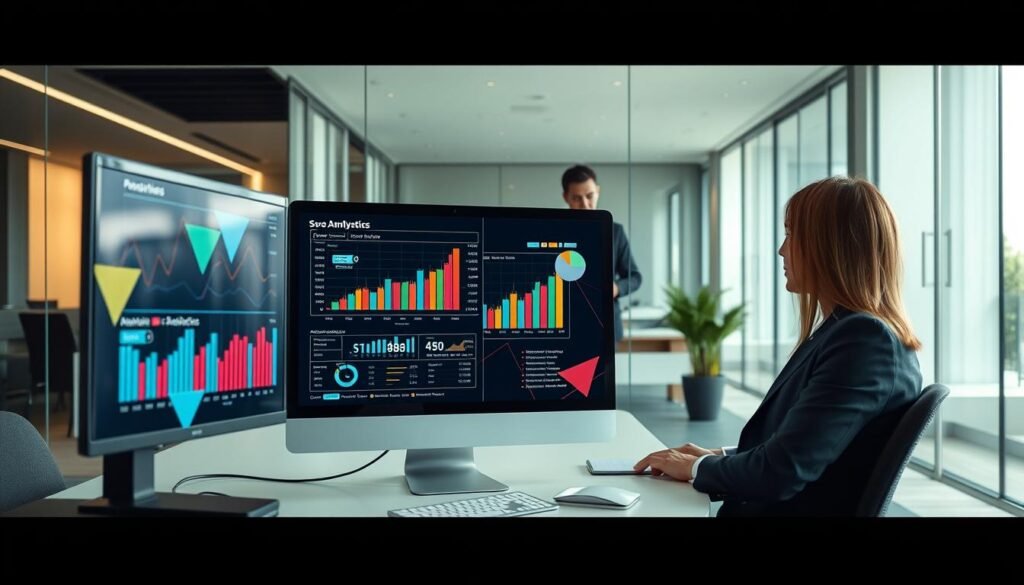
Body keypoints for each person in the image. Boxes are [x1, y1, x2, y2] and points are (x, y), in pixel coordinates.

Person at [634, 176, 923, 516]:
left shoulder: (864, 342)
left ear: (829, 246)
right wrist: (717, 458)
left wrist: (696, 470)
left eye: (791, 234)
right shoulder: (844, 331)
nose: (782, 250)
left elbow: (782, 472)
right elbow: (803, 445)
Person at [561, 164, 641, 343]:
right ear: (566, 197)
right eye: (576, 198)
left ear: (598, 191)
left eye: (590, 196)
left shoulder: (615, 232)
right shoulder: (555, 232)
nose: (585, 205)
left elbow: (635, 277)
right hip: (566, 326)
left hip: (606, 327)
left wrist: (616, 288)